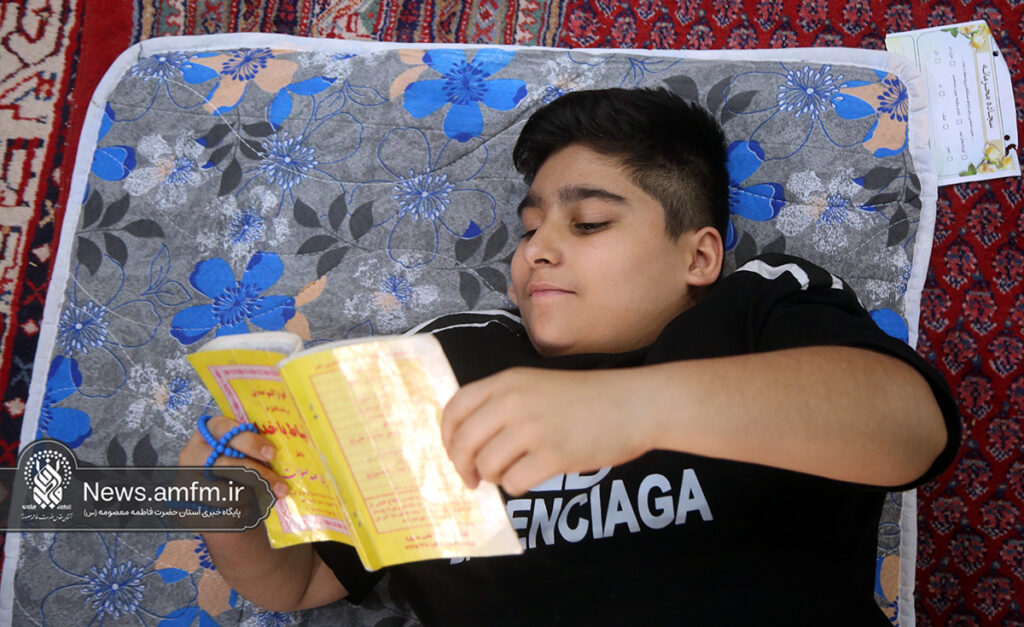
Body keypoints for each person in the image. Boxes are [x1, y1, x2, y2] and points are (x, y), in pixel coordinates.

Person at [179, 87, 960, 625]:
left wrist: (629, 408)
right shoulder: (445, 361)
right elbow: (303, 581)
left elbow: (911, 429)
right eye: (529, 230)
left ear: (699, 256)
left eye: (587, 224)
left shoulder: (754, 306)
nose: (536, 251)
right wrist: (224, 506)